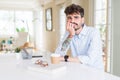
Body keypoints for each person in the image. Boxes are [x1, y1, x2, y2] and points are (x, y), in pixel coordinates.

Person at [55, 4, 104, 70]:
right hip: (79, 69)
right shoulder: (68, 33)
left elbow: (90, 59)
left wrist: (65, 58)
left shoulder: (94, 32)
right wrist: (70, 35)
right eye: (69, 17)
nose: (72, 21)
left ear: (82, 19)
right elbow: (58, 53)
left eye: (76, 17)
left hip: (95, 72)